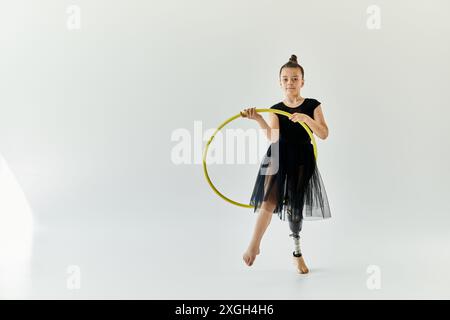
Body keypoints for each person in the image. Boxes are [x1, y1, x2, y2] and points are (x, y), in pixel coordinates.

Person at [240, 54, 332, 274]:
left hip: (302, 159)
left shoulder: (312, 105)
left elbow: (324, 134)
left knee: (294, 210)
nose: (290, 82)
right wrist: (259, 119)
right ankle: (254, 245)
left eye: (294, 78)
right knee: (268, 201)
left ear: (302, 81)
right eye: (285, 79)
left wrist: (306, 119)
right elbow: (273, 138)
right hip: (277, 156)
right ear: (279, 82)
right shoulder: (276, 108)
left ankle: (297, 253)